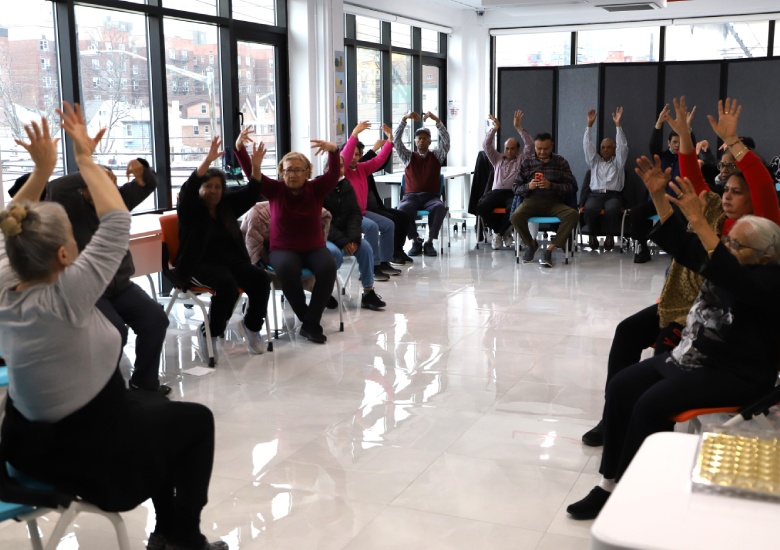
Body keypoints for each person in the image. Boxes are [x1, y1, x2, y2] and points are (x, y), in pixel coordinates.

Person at [0, 106, 225, 550]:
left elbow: (12, 222)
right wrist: (84, 157)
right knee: (195, 422)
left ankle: (168, 532)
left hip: (26, 441)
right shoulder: (68, 294)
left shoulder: (6, 281)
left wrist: (43, 168)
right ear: (65, 256)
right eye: (70, 238)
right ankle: (185, 537)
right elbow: (117, 220)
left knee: (152, 414)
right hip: (84, 453)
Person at [567, 153, 780, 520]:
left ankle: (639, 494)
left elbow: (729, 273)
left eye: (735, 245)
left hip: (734, 373)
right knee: (622, 386)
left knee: (650, 405)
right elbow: (687, 249)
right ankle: (610, 485)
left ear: (765, 256)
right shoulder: (738, 262)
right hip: (692, 358)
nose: (727, 247)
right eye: (728, 243)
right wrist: (659, 199)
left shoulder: (768, 281)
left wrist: (700, 221)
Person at [581, 97, 780, 447]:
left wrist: (734, 143)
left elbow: (761, 184)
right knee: (627, 332)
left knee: (662, 367)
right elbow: (692, 179)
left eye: (737, 190)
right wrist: (684, 135)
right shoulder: (716, 211)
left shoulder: (761, 226)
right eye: (727, 188)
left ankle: (651, 439)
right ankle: (611, 415)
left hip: (714, 320)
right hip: (682, 301)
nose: (727, 194)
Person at [47, 158, 171, 396]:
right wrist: (96, 172)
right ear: (84, 188)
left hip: (120, 287)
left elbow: (149, 183)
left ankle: (144, 383)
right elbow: (54, 188)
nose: (103, 192)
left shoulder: (117, 201)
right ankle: (103, 392)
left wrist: (141, 168)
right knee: (114, 332)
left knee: (156, 319)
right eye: (95, 186)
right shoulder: (71, 205)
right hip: (89, 290)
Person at [235, 129, 342, 344]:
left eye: (297, 170)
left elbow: (333, 175)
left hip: (314, 247)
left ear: (307, 172)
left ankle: (311, 322)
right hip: (283, 249)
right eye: (287, 170)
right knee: (287, 270)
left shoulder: (316, 189)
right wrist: (240, 149)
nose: (292, 174)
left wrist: (333, 151)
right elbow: (251, 174)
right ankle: (309, 321)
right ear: (281, 172)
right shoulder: (275, 190)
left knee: (328, 267)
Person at [174, 136, 271, 363]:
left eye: (218, 187)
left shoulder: (226, 205)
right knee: (226, 286)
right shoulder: (189, 209)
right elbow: (188, 188)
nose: (213, 191)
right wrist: (207, 160)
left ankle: (251, 325)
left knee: (260, 279)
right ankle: (210, 333)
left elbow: (252, 192)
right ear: (200, 188)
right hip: (198, 264)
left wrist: (256, 166)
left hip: (232, 262)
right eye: (208, 186)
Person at [631, 104, 698, 263]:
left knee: (679, 219)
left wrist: (687, 128)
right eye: (674, 142)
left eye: (679, 142)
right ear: (668, 143)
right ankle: (642, 248)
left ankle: (679, 252)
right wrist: (659, 123)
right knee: (636, 213)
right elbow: (653, 145)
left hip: (678, 201)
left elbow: (691, 144)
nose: (676, 144)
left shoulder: (686, 157)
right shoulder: (661, 156)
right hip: (659, 199)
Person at [324, 156, 386, 311]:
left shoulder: (346, 186)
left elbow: (355, 214)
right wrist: (344, 242)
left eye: (340, 166)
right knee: (334, 254)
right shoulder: (319, 188)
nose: (338, 170)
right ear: (326, 168)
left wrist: (353, 239)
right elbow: (323, 223)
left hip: (347, 235)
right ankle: (323, 291)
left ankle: (368, 292)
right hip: (325, 236)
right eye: (334, 166)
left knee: (365, 249)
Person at [342, 121, 401, 279]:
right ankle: (372, 267)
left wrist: (389, 141)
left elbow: (379, 160)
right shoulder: (342, 171)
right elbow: (344, 157)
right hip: (348, 216)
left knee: (388, 224)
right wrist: (354, 135)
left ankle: (383, 262)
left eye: (357, 154)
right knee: (372, 227)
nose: (354, 158)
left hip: (361, 212)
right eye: (351, 154)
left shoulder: (362, 168)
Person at [510, 132, 578, 268]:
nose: (542, 152)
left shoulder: (561, 162)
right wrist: (528, 186)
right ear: (534, 146)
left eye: (545, 149)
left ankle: (549, 250)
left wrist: (551, 185)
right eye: (538, 148)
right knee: (516, 217)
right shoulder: (527, 162)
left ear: (551, 146)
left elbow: (572, 187)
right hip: (532, 201)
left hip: (554, 202)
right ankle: (532, 244)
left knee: (573, 214)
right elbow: (515, 187)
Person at [393, 111, 451, 257]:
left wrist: (436, 120)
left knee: (439, 207)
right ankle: (415, 240)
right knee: (403, 209)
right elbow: (396, 141)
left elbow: (446, 140)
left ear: (430, 141)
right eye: (419, 138)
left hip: (431, 197)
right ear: (414, 141)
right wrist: (404, 119)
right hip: (411, 197)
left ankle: (429, 242)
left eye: (425, 139)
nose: (421, 141)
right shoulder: (408, 157)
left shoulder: (437, 156)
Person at [477, 110, 533, 250]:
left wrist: (519, 128)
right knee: (481, 207)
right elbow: (486, 145)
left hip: (512, 193)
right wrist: (494, 128)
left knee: (513, 210)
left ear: (517, 150)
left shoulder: (521, 159)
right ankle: (500, 231)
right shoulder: (497, 159)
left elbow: (530, 145)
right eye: (507, 148)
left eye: (512, 149)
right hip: (496, 193)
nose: (509, 151)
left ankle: (500, 232)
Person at [357, 139, 413, 265]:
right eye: (355, 154)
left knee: (403, 216)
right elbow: (360, 162)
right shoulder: (354, 170)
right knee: (392, 220)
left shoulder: (365, 169)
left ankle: (397, 250)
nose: (358, 157)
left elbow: (380, 164)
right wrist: (374, 149)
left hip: (377, 207)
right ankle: (387, 256)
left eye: (360, 154)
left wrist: (388, 144)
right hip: (366, 210)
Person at [582, 107, 628, 251]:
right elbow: (587, 146)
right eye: (603, 147)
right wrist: (589, 126)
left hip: (613, 196)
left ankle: (610, 236)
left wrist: (618, 126)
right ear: (599, 150)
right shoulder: (594, 162)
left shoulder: (618, 163)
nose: (605, 149)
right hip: (595, 195)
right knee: (589, 208)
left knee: (613, 209)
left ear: (614, 150)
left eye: (609, 147)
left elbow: (623, 147)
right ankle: (592, 235)